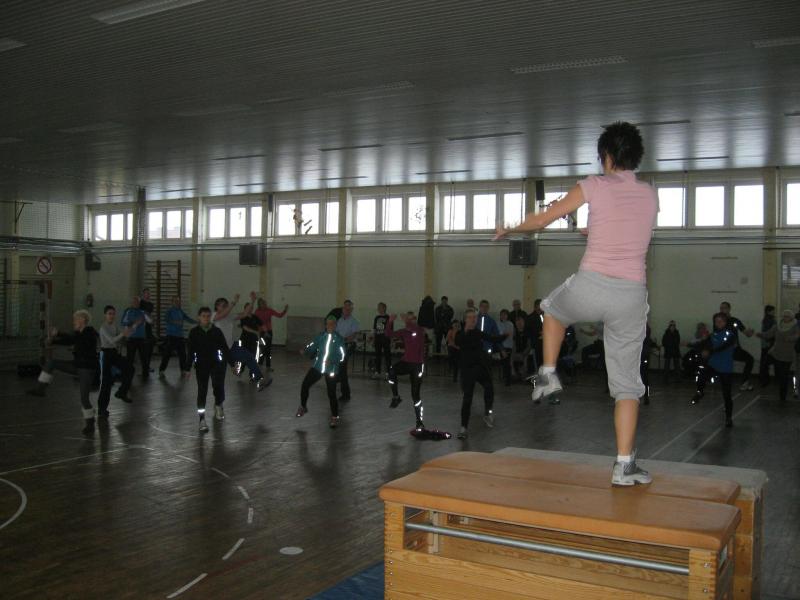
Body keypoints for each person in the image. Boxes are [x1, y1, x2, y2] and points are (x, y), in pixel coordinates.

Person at [495, 121, 657, 486]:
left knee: (551, 309)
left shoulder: (593, 184)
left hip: (593, 285)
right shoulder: (650, 194)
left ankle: (549, 373)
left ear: (606, 156)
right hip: (632, 296)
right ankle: (624, 466)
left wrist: (511, 228)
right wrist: (594, 228)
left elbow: (543, 218)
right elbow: (629, 229)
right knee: (627, 387)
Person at [28, 310, 99, 436]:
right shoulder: (79, 333)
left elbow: (73, 338)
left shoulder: (90, 333)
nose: (73, 322)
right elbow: (69, 340)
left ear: (82, 320)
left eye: (75, 319)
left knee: (84, 399)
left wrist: (58, 334)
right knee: (51, 363)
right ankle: (40, 389)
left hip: (86, 369)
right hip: (77, 365)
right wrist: (52, 341)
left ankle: (90, 423)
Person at [455, 308, 506, 439]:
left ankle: (488, 413)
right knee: (467, 398)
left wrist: (505, 336)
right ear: (465, 319)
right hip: (467, 370)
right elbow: (458, 342)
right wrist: (465, 331)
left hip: (479, 368)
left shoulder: (477, 332)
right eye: (470, 317)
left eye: (475, 317)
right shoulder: (460, 333)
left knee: (489, 387)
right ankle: (463, 428)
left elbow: (492, 338)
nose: (473, 320)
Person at [295, 315, 346, 428]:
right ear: (325, 325)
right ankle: (303, 406)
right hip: (318, 367)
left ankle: (335, 417)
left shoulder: (339, 339)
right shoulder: (321, 336)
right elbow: (312, 345)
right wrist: (305, 350)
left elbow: (342, 356)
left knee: (331, 393)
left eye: (332, 324)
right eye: (328, 324)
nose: (330, 326)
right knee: (305, 385)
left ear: (335, 325)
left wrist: (332, 360)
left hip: (331, 369)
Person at [212, 292, 271, 391]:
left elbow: (244, 314)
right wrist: (234, 302)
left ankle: (259, 379)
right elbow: (223, 314)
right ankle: (218, 394)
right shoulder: (213, 316)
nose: (226, 307)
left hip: (231, 347)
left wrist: (253, 301)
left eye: (226, 305)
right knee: (219, 374)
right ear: (217, 307)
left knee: (249, 357)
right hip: (219, 350)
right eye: (223, 305)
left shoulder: (229, 316)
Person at [188, 306, 230, 432]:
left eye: (208, 316)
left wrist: (233, 364)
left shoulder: (216, 331)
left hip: (216, 364)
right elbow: (190, 351)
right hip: (201, 366)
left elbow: (225, 348)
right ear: (199, 317)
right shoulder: (194, 332)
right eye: (203, 316)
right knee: (202, 391)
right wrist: (187, 368)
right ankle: (202, 419)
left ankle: (218, 405)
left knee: (218, 386)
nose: (206, 318)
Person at [691, 313, 737, 427]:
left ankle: (728, 418)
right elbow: (702, 344)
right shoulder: (712, 335)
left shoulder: (730, 335)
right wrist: (689, 344)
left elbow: (723, 346)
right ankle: (700, 392)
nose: (718, 323)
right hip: (713, 365)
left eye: (720, 321)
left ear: (725, 322)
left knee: (726, 394)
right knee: (701, 373)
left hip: (725, 367)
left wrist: (709, 351)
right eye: (716, 321)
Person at [386, 312, 427, 430]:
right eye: (409, 319)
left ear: (415, 320)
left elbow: (414, 330)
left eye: (412, 319)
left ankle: (419, 421)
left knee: (415, 395)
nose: (410, 321)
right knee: (391, 371)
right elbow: (388, 334)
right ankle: (396, 397)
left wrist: (407, 321)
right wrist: (390, 321)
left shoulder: (419, 330)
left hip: (417, 365)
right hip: (406, 362)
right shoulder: (404, 331)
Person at [98, 305, 135, 416]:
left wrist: (128, 333)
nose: (112, 316)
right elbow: (112, 340)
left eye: (113, 314)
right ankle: (102, 409)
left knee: (130, 368)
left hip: (114, 353)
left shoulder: (114, 326)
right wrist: (123, 333)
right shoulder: (103, 328)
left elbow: (121, 339)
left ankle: (121, 392)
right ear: (105, 315)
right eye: (109, 314)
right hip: (106, 355)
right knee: (106, 382)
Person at [758, 309, 798, 402]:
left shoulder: (795, 326)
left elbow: (797, 336)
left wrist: (790, 338)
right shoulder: (778, 326)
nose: (785, 318)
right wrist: (760, 334)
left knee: (784, 376)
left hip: (787, 355)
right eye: (784, 316)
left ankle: (782, 396)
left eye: (787, 316)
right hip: (776, 352)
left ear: (791, 318)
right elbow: (768, 334)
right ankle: (766, 381)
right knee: (765, 364)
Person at [719, 301, 755, 391]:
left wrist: (750, 332)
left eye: (724, 308)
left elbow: (747, 334)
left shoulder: (735, 321)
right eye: (721, 308)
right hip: (724, 350)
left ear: (729, 309)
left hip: (735, 349)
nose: (722, 310)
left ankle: (745, 382)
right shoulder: (718, 321)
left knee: (750, 359)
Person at [159, 296, 195, 378]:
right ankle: (161, 370)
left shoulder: (180, 311)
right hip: (171, 336)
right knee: (167, 354)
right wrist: (175, 322)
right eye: (175, 301)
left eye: (178, 301)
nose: (177, 303)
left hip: (180, 336)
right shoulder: (169, 311)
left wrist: (197, 322)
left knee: (183, 354)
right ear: (172, 302)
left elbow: (187, 318)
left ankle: (183, 370)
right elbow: (167, 319)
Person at [333, 300, 360, 402]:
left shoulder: (354, 321)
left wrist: (343, 340)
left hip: (349, 345)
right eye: (345, 307)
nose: (346, 309)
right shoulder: (339, 320)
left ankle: (346, 394)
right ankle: (337, 378)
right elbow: (335, 332)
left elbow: (353, 335)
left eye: (348, 307)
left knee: (343, 366)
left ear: (351, 309)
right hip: (339, 345)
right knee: (337, 366)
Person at [121, 296, 151, 378]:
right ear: (131, 303)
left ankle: (145, 374)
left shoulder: (143, 312)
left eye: (137, 302)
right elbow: (123, 322)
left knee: (144, 358)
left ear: (139, 303)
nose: (136, 303)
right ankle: (128, 374)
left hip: (141, 338)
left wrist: (147, 316)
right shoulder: (128, 311)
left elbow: (151, 321)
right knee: (130, 358)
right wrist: (134, 322)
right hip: (131, 338)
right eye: (134, 302)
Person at [254, 298, 288, 369]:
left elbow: (279, 315)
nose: (263, 304)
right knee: (263, 348)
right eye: (262, 303)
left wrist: (285, 310)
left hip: (269, 331)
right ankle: (260, 363)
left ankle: (267, 365)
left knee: (268, 349)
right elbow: (255, 322)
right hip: (262, 332)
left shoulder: (269, 310)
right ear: (259, 304)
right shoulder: (257, 312)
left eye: (264, 303)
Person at [237, 303, 263, 380]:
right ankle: (240, 370)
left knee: (253, 357)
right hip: (244, 339)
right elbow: (245, 327)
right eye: (248, 308)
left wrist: (262, 332)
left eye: (251, 308)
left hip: (254, 340)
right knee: (244, 356)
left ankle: (252, 374)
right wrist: (255, 332)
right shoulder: (243, 317)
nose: (250, 309)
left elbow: (261, 325)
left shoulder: (255, 317)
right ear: (245, 309)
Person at [640, 323, 659, 405]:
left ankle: (645, 396)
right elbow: (652, 343)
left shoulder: (642, 336)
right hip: (644, 357)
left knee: (643, 377)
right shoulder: (646, 337)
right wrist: (656, 345)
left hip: (641, 358)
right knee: (645, 377)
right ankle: (646, 396)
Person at [758, 305, 776, 387]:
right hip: (768, 344)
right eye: (772, 311)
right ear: (769, 311)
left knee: (764, 362)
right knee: (765, 363)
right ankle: (764, 380)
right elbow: (769, 333)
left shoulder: (766, 319)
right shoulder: (770, 320)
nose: (774, 312)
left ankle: (763, 379)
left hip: (765, 344)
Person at [372, 302, 391, 379]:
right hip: (378, 339)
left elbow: (390, 330)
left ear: (384, 308)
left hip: (385, 339)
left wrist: (391, 340)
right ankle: (377, 372)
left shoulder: (388, 317)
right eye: (378, 307)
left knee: (387, 356)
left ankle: (388, 373)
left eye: (380, 307)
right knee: (377, 356)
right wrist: (373, 339)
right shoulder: (376, 318)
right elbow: (374, 329)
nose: (378, 309)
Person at [524, 299, 544, 372]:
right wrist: (538, 333)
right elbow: (527, 332)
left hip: (545, 343)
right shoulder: (530, 318)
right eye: (538, 308)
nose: (540, 310)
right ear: (535, 307)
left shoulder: (545, 316)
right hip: (535, 343)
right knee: (537, 361)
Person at [139, 287, 155, 374]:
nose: (148, 295)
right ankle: (144, 366)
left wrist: (152, 320)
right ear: (143, 294)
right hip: (141, 328)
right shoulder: (140, 303)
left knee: (149, 347)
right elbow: (143, 313)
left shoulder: (151, 304)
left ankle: (147, 366)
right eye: (146, 293)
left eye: (149, 293)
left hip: (148, 328)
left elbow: (149, 314)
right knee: (143, 348)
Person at [498, 309, 515, 385]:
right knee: (503, 362)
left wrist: (502, 335)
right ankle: (504, 377)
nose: (503, 316)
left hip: (508, 345)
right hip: (500, 345)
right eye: (502, 314)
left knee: (507, 363)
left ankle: (508, 379)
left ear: (507, 316)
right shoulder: (498, 323)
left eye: (505, 314)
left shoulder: (510, 324)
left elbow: (508, 334)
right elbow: (498, 334)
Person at [511, 316, 530, 381]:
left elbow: (529, 345)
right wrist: (514, 353)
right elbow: (513, 344)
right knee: (511, 357)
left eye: (521, 322)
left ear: (524, 322)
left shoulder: (527, 331)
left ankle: (524, 375)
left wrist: (524, 353)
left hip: (526, 350)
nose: (519, 324)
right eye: (517, 322)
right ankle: (514, 374)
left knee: (525, 358)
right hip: (517, 351)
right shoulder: (514, 332)